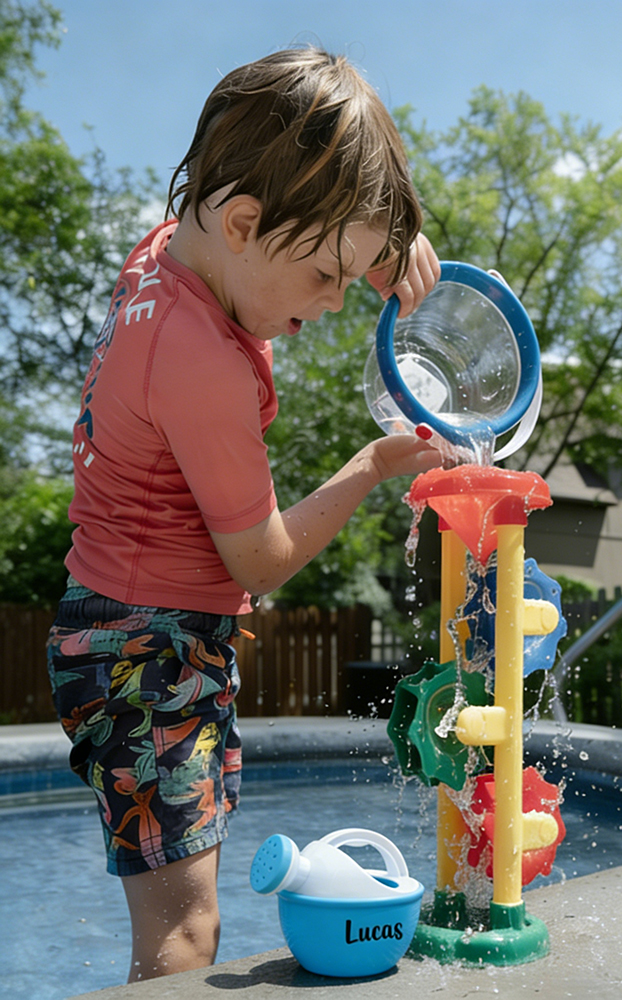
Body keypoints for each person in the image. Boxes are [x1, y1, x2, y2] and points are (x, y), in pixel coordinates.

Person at [46, 47, 442, 983]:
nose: (340, 300)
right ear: (243, 222)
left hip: (132, 635)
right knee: (186, 941)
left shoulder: (168, 253)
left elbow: (287, 208)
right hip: (147, 655)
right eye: (327, 277)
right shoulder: (202, 365)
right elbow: (260, 559)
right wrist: (368, 466)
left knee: (192, 919)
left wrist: (381, 247)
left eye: (353, 276)